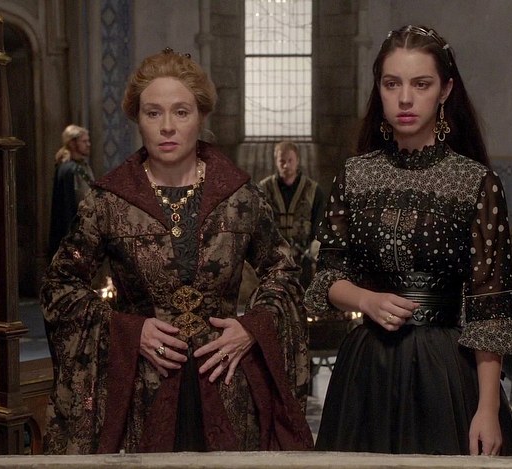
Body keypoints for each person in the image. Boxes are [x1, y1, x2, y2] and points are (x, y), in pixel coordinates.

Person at [40, 48, 313, 454]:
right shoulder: (109, 202)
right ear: (137, 118)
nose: (167, 126)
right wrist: (129, 331)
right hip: (141, 392)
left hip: (227, 387)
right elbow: (59, 287)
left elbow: (284, 272)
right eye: (153, 113)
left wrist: (251, 327)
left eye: (181, 112)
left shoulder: (238, 196)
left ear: (200, 117)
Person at [305, 25, 512, 456]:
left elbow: (490, 306)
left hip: (443, 371)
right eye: (392, 84)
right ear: (379, 89)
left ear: (445, 90)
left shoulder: (475, 182)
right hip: (366, 370)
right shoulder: (354, 175)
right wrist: (365, 300)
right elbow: (327, 278)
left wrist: (487, 408)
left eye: (421, 84)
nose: (405, 98)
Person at [258, 141, 325, 288]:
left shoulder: (314, 190)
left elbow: (319, 224)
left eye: (290, 160)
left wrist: (313, 249)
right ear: (276, 162)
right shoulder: (263, 189)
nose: (286, 165)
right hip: (273, 259)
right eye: (282, 161)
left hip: (304, 258)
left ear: (297, 160)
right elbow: (258, 223)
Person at [48, 124, 94, 257]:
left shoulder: (77, 166)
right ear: (73, 143)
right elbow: (80, 201)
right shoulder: (71, 169)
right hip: (76, 231)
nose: (88, 144)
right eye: (84, 141)